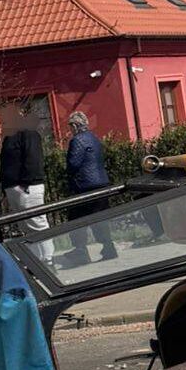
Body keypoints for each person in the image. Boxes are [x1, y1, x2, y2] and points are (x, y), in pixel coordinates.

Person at [61, 111, 117, 266]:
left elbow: (73, 164)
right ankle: (108, 247)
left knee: (76, 218)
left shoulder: (77, 140)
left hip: (84, 186)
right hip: (101, 183)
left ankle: (80, 250)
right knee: (100, 218)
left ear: (74, 125)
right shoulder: (94, 138)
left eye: (70, 126)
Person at [0, 112, 50, 261]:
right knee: (26, 227)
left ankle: (47, 258)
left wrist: (26, 183)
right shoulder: (9, 136)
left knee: (37, 223)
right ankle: (37, 260)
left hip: (26, 186)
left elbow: (33, 159)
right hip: (15, 186)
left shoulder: (28, 133)